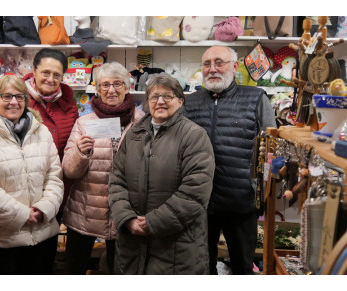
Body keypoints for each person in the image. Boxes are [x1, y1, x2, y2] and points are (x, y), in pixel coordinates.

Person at [184, 45, 277, 275]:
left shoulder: (255, 98)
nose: (212, 69)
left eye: (219, 62)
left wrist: (263, 190)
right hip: (200, 203)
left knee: (242, 266)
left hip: (241, 202)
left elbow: (272, 145)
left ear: (234, 66)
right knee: (201, 266)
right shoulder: (191, 102)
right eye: (207, 64)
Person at [108, 74, 215, 275]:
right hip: (133, 244)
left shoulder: (194, 135)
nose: (160, 102)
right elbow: (116, 180)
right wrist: (127, 218)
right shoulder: (134, 134)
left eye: (168, 96)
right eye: (154, 97)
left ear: (181, 101)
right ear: (147, 102)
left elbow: (195, 192)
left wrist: (153, 222)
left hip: (177, 247)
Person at [61, 62, 145, 274]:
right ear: (97, 90)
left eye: (117, 84)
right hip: (85, 210)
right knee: (75, 269)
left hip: (125, 212)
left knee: (121, 271)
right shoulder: (84, 123)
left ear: (127, 87)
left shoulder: (142, 123)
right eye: (105, 85)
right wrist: (81, 152)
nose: (111, 90)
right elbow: (70, 171)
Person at [0, 75, 63, 274]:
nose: (14, 102)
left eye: (19, 97)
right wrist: (21, 214)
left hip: (44, 234)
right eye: (6, 96)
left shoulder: (42, 131)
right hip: (5, 239)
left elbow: (54, 176)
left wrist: (43, 209)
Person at [23, 48, 78, 221]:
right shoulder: (17, 101)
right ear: (34, 70)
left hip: (58, 189)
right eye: (45, 72)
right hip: (24, 189)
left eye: (57, 75)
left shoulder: (69, 104)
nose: (50, 79)